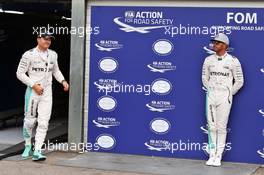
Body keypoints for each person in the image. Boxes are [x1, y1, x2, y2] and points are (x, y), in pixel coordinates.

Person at [16, 30, 69, 161]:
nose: (48, 41)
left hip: (47, 93)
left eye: (50, 39)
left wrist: (62, 80)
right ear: (38, 39)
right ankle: (28, 146)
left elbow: (56, 70)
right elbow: (20, 73)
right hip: (33, 92)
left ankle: (37, 151)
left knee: (44, 123)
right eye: (45, 38)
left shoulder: (53, 54)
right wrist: (34, 85)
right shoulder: (29, 55)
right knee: (29, 121)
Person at [202, 33, 244, 166]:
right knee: (212, 127)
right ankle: (212, 155)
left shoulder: (233, 61)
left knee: (221, 127)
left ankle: (218, 156)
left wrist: (229, 93)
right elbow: (204, 78)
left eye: (217, 43)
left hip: (224, 97)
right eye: (214, 43)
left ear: (225, 45)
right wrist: (211, 90)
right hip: (211, 95)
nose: (214, 45)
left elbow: (239, 81)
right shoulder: (208, 60)